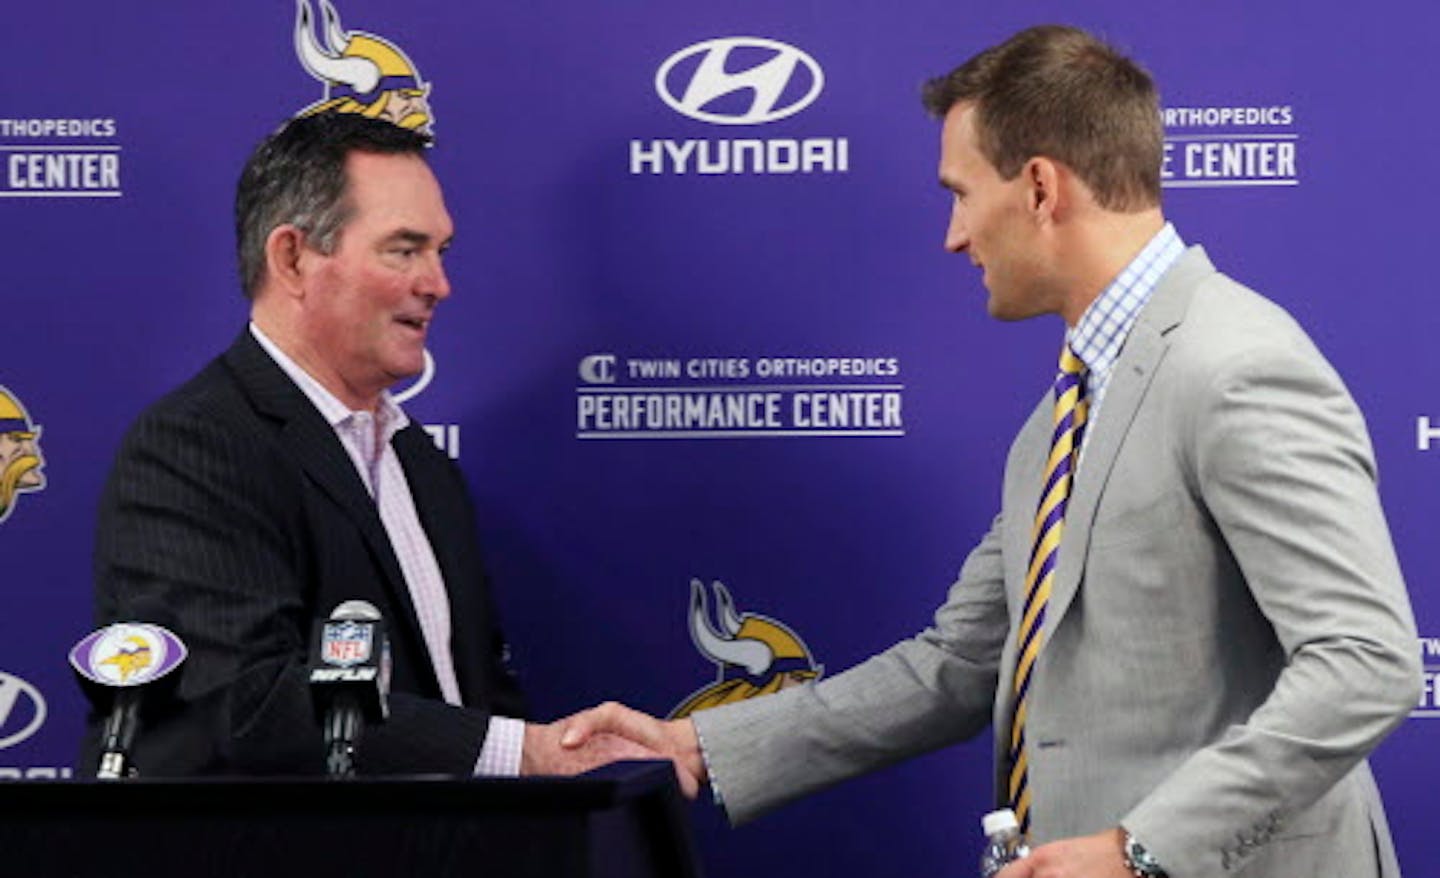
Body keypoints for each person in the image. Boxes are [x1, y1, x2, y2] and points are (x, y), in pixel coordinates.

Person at [559, 25, 1421, 878]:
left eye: (962, 193)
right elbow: (958, 661)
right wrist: (699, 742)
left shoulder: (1234, 364)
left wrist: (1140, 850)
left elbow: (1366, 663)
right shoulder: (1063, 411)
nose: (954, 235)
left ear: (1041, 188)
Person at [87, 112, 659, 780]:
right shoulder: (193, 447)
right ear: (293, 258)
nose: (437, 284)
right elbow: (245, 702)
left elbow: (468, 702)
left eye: (441, 252)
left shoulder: (420, 465)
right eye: (404, 249)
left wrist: (542, 767)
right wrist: (525, 752)